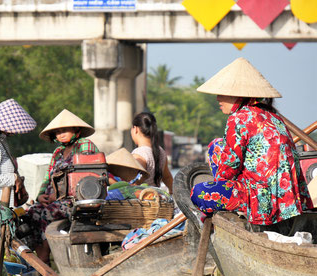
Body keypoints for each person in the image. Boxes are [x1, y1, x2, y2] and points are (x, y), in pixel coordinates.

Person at [190, 57, 312, 225]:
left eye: (222, 93)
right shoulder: (272, 115)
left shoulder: (240, 118)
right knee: (217, 145)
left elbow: (229, 167)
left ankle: (224, 207)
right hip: (288, 199)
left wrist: (219, 186)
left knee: (199, 192)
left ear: (237, 96)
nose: (218, 98)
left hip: (262, 201)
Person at [27, 109, 99, 263]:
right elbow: (47, 178)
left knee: (46, 214)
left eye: (65, 130)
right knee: (32, 212)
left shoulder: (85, 145)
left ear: (76, 130)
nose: (61, 134)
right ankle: (41, 261)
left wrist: (60, 196)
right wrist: (40, 195)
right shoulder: (58, 152)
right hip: (54, 201)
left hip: (75, 202)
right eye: (58, 132)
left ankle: (43, 260)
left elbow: (88, 178)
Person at [131, 112, 174, 193]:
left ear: (135, 129)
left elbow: (135, 183)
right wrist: (173, 193)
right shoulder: (161, 151)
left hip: (142, 200)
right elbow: (167, 178)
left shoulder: (139, 154)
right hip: (156, 198)